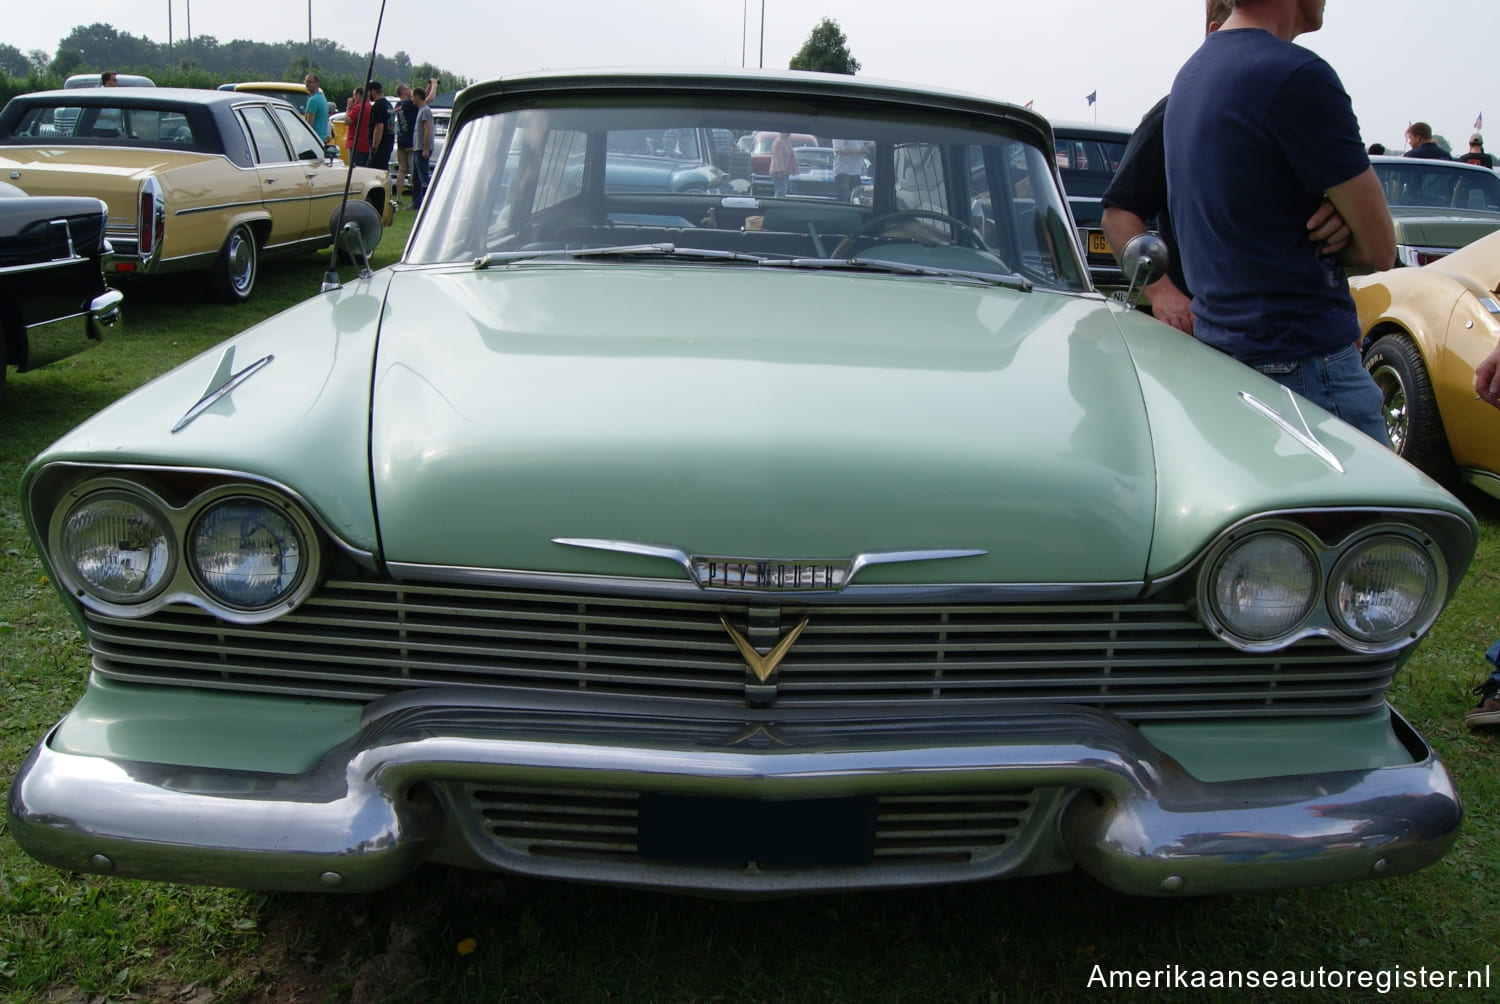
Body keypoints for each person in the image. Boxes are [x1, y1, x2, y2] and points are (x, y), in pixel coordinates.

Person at [1163, 0, 1395, 444]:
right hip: (1305, 373)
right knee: (1371, 513)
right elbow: (1380, 248)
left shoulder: (1191, 74)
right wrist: (1343, 226)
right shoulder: (1296, 75)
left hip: (1221, 362)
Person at [1103, 0, 1348, 337]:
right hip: (1209, 325)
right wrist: (1163, 294)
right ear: (1214, 34)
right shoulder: (1175, 112)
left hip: (1290, 330)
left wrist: (1339, 212)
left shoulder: (1286, 94)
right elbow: (1118, 214)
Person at [411, 86, 435, 211]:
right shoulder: (420, 110)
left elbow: (427, 129)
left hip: (421, 148)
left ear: (417, 96)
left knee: (424, 177)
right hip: (417, 148)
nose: (411, 99)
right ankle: (417, 203)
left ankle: (430, 202)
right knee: (416, 177)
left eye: (412, 96)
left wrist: (425, 149)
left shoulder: (425, 110)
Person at [393, 83, 416, 207]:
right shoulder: (409, 104)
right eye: (408, 88)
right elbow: (426, 100)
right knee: (413, 171)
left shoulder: (398, 105)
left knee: (401, 170)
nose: (410, 90)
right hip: (411, 141)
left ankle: (398, 197)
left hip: (401, 140)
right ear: (403, 92)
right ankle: (415, 198)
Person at [831, 138, 869, 203]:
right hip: (843, 172)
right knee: (843, 199)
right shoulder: (838, 132)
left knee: (856, 199)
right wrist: (860, 151)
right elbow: (839, 150)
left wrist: (866, 150)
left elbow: (861, 147)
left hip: (856, 171)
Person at [769, 131, 798, 198]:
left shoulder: (786, 141)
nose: (790, 132)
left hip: (785, 171)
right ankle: (777, 205)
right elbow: (778, 157)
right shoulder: (779, 142)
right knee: (780, 191)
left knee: (782, 191)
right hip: (778, 171)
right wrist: (781, 171)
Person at [346, 88, 371, 166]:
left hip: (356, 144)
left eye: (354, 95)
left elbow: (348, 121)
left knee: (354, 170)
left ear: (358, 95)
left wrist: (348, 108)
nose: (353, 98)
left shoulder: (358, 107)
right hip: (366, 144)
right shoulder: (370, 106)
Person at [303, 73, 330, 144]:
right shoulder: (323, 99)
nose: (307, 84)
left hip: (315, 140)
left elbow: (309, 125)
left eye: (310, 82)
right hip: (322, 139)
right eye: (306, 82)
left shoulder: (313, 100)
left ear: (317, 83)